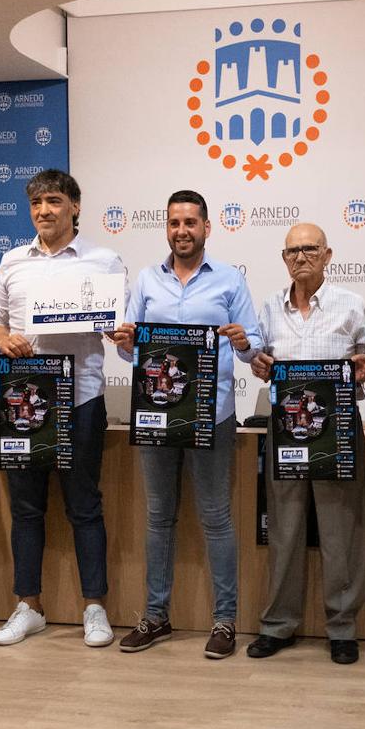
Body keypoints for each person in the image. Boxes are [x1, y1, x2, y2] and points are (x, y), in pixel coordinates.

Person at [108, 190, 262, 659]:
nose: (182, 231)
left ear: (206, 228)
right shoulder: (146, 280)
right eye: (174, 223)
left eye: (190, 223)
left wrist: (243, 342)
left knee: (216, 518)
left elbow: (253, 347)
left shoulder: (230, 279)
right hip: (156, 414)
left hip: (212, 416)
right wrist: (125, 342)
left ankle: (225, 621)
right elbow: (129, 350)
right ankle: (156, 616)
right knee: (159, 517)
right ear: (167, 228)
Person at [0, 169, 124, 648]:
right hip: (23, 399)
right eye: (37, 203)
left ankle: (94, 608)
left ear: (75, 206)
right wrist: (3, 340)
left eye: (54, 201)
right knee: (26, 509)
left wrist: (119, 331)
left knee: (84, 507)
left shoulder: (104, 261)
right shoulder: (12, 261)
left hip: (81, 399)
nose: (44, 211)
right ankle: (29, 606)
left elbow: (120, 329)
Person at [247, 223, 365, 665]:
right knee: (283, 529)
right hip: (285, 428)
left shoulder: (352, 304)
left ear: (327, 255)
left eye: (310, 249)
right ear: (284, 259)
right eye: (292, 251)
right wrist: (259, 365)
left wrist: (362, 368)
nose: (300, 257)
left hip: (337, 428)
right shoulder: (269, 306)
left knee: (341, 531)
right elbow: (260, 361)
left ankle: (342, 628)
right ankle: (278, 625)